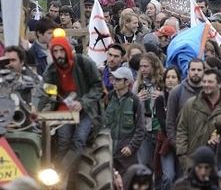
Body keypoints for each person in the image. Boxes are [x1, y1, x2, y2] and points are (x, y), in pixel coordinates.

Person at [38, 34, 103, 179]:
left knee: (79, 139)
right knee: (63, 141)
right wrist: (35, 109)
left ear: (67, 50)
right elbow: (43, 90)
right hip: (64, 109)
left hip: (86, 109)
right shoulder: (52, 69)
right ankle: (55, 177)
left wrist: (83, 102)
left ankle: (61, 173)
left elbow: (98, 86)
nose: (59, 55)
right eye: (55, 51)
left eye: (61, 50)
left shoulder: (84, 63)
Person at [176, 69, 221, 171]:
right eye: (204, 81)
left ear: (219, 84)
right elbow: (182, 130)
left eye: (210, 82)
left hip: (219, 163)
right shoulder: (191, 104)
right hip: (193, 161)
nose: (206, 84)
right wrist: (183, 157)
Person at [105, 66, 145, 175]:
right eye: (113, 79)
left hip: (126, 156)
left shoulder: (135, 101)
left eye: (118, 79)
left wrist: (131, 147)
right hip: (108, 153)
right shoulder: (108, 98)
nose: (114, 82)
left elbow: (140, 129)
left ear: (127, 82)